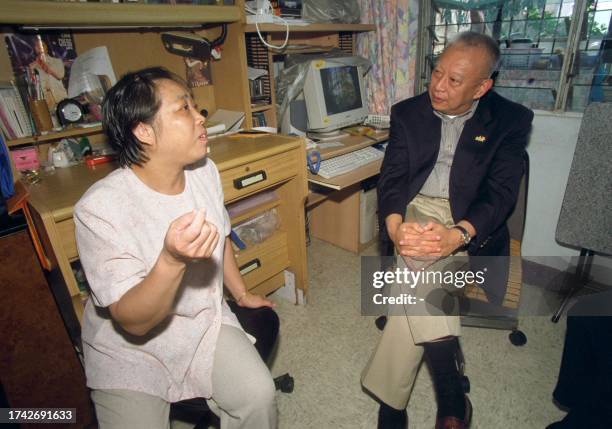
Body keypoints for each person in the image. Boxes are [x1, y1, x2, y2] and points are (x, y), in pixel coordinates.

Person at [74, 67, 277, 429]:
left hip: (201, 321)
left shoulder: (204, 171)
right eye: (184, 109)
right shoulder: (99, 209)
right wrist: (171, 260)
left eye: (195, 107)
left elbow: (222, 234)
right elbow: (133, 322)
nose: (201, 118)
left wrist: (241, 293)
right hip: (129, 351)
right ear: (144, 131)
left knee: (259, 396)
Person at [361, 32, 534, 429]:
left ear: (482, 87)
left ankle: (393, 405)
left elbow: (501, 194)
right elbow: (393, 177)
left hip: (468, 220)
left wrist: (457, 234)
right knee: (418, 265)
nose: (438, 86)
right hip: (416, 208)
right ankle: (453, 396)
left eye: (454, 80)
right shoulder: (408, 112)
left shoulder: (511, 120)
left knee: (415, 278)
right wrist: (395, 226)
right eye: (436, 73)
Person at [29, 39, 68, 114]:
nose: (39, 47)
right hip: (46, 101)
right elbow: (33, 84)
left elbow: (60, 75)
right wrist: (32, 68)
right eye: (37, 45)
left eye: (42, 44)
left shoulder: (57, 61)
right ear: (35, 49)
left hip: (60, 97)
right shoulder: (32, 66)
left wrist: (44, 65)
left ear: (46, 47)